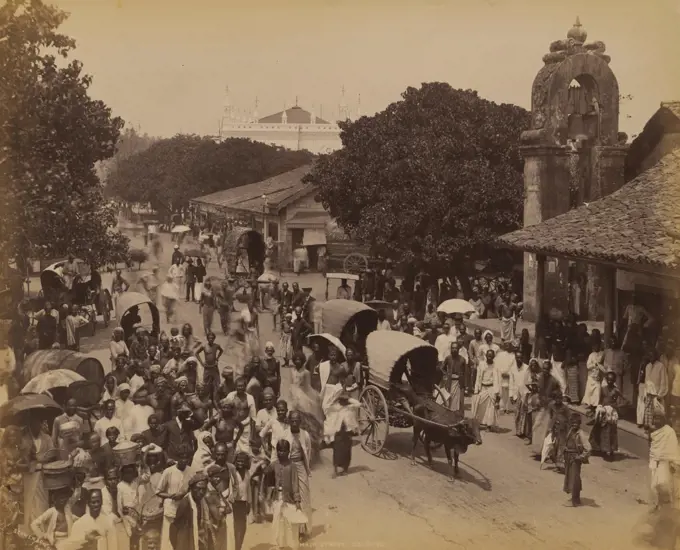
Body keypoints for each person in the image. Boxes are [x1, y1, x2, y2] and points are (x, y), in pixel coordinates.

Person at [281, 411, 312, 541]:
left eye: (297, 420)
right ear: (289, 421)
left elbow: (308, 452)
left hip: (300, 465)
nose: (294, 423)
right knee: (290, 496)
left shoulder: (305, 435)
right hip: (288, 466)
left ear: (300, 421)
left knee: (304, 495)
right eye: (292, 420)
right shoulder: (284, 434)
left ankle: (304, 528)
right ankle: (290, 529)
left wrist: (305, 468)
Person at [269, 440, 304, 549]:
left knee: (290, 524)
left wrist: (297, 501)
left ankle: (292, 546)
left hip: (289, 498)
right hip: (277, 498)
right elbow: (268, 480)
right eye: (279, 450)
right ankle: (279, 545)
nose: (281, 453)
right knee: (277, 523)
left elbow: (295, 483)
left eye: (284, 451)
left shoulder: (292, 466)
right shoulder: (273, 465)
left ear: (288, 451)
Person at [170, 472, 219, 550]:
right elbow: (175, 527)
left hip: (200, 538)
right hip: (187, 541)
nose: (201, 492)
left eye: (204, 489)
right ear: (192, 488)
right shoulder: (185, 504)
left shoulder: (203, 501)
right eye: (198, 488)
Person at [157, 445, 193, 550]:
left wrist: (184, 494)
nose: (183, 460)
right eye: (181, 457)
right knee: (167, 538)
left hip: (185, 509)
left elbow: (193, 489)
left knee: (182, 538)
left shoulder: (191, 471)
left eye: (186, 457)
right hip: (171, 508)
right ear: (177, 458)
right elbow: (158, 491)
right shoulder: (169, 471)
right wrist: (171, 496)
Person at [288, 352, 324, 454]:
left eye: (300, 359)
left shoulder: (306, 372)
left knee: (305, 418)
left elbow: (308, 387)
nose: (298, 361)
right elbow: (291, 384)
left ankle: (308, 441)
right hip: (293, 395)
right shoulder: (292, 371)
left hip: (302, 396)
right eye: (296, 359)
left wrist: (314, 397)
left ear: (303, 361)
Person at [589, 371, 622, 460]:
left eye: (612, 380)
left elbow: (624, 401)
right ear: (606, 380)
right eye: (608, 380)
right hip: (603, 412)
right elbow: (600, 400)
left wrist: (615, 407)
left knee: (610, 432)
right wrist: (599, 409)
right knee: (598, 430)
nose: (610, 381)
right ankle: (598, 448)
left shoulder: (616, 390)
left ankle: (609, 450)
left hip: (611, 414)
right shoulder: (603, 388)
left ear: (614, 380)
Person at [563, 414, 591, 506]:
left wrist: (581, 457)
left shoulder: (581, 434)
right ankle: (576, 498)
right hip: (568, 456)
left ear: (579, 424)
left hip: (575, 458)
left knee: (574, 479)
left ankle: (574, 501)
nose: (574, 425)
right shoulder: (571, 431)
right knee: (571, 477)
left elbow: (588, 448)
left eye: (576, 423)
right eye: (573, 423)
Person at [471, 349, 501, 431]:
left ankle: (489, 425)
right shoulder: (481, 364)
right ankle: (479, 422)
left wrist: (497, 393)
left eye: (491, 356)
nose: (489, 357)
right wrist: (476, 390)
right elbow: (478, 377)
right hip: (483, 388)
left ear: (493, 357)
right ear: (486, 356)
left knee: (490, 408)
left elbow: (497, 380)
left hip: (491, 388)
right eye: (488, 355)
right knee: (479, 404)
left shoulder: (496, 366)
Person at [196, 332, 223, 401]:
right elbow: (196, 353)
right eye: (209, 338)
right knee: (205, 383)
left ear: (214, 339)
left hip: (214, 367)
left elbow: (221, 351)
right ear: (207, 339)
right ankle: (206, 399)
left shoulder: (216, 346)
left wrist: (217, 358)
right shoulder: (204, 346)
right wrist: (201, 362)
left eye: (212, 338)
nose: (211, 339)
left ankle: (216, 399)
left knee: (217, 383)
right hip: (207, 368)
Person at [441, 341, 466, 413]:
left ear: (458, 349)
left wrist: (465, 384)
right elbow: (442, 368)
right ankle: (449, 414)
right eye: (452, 348)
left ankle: (458, 415)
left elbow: (465, 372)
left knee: (459, 401)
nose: (454, 349)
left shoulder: (462, 359)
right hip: (450, 382)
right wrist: (446, 374)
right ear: (450, 349)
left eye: (456, 348)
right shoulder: (448, 358)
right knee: (449, 398)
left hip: (459, 383)